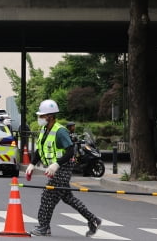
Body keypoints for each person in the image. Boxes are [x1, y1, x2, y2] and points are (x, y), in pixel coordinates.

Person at [25, 99, 101, 237]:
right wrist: (31, 164)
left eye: (42, 116)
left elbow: (71, 150)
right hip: (55, 168)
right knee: (68, 197)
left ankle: (44, 227)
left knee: (47, 196)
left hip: (63, 168)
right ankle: (93, 219)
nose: (39, 118)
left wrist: (56, 164)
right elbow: (39, 150)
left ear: (50, 116)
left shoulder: (60, 131)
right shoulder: (44, 129)